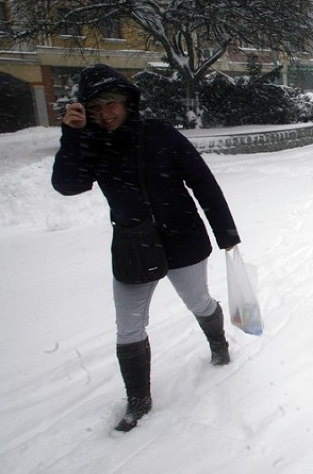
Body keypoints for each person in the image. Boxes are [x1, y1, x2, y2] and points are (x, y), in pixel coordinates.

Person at [51, 64, 241, 432]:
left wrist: (226, 232)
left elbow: (202, 181)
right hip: (133, 246)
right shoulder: (92, 143)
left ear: (126, 101)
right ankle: (138, 400)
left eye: (112, 104)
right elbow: (68, 184)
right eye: (97, 108)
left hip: (181, 237)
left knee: (198, 301)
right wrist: (72, 136)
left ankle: (218, 344)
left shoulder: (159, 134)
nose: (107, 114)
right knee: (129, 326)